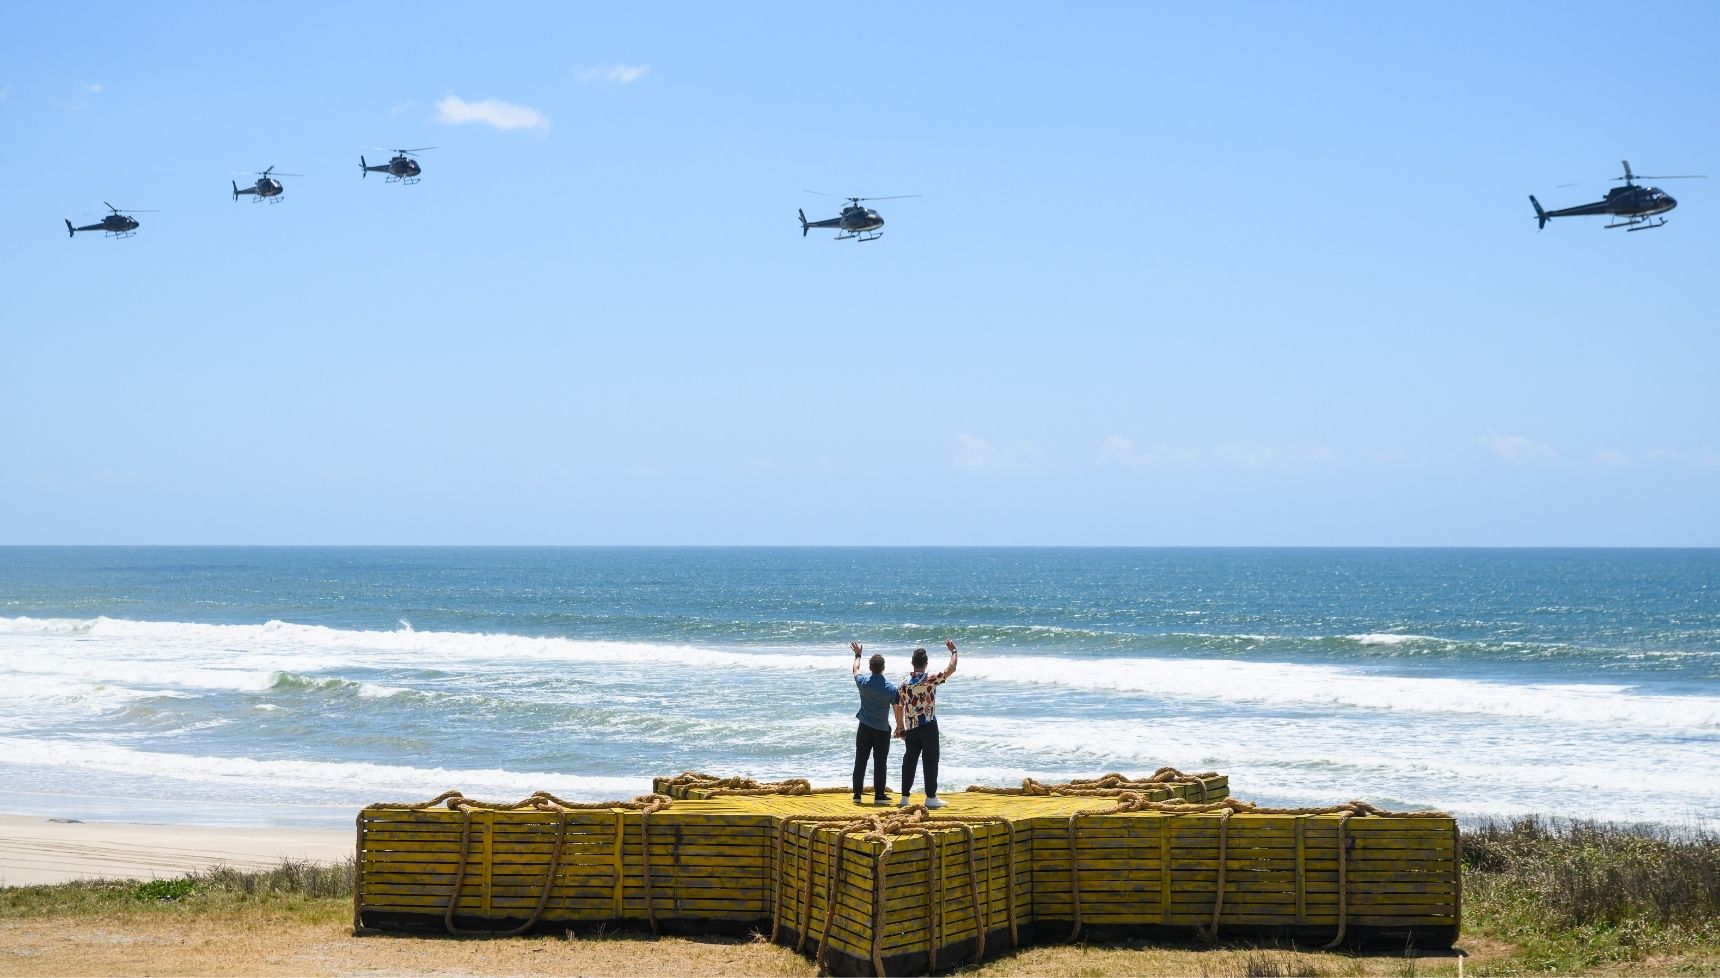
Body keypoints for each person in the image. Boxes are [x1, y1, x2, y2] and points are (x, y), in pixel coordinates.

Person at [893, 638, 958, 809]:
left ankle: (904, 798)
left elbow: (898, 705)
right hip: (928, 725)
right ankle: (930, 797)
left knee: (909, 761)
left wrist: (900, 726)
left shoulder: (904, 683)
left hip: (911, 727)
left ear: (912, 663)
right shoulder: (930, 678)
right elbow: (951, 668)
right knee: (930, 760)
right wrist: (954, 651)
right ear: (926, 663)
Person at [849, 641, 898, 805]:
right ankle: (879, 795)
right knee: (880, 762)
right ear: (883, 668)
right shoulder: (890, 689)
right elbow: (897, 709)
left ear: (870, 668)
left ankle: (857, 794)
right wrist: (900, 727)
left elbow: (855, 669)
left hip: (864, 727)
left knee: (860, 760)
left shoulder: (863, 683)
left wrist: (858, 655)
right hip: (882, 730)